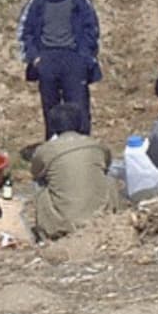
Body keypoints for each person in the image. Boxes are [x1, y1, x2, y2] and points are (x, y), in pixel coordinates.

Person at [17, 0, 102, 140]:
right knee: (51, 108)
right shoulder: (37, 2)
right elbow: (26, 32)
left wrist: (84, 58)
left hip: (73, 57)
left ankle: (82, 144)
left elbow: (92, 31)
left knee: (78, 105)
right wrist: (34, 58)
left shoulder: (80, 1)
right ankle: (54, 145)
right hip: (47, 58)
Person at [30, 103, 121, 240]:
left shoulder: (45, 150)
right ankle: (113, 215)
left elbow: (35, 172)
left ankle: (47, 229)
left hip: (65, 222)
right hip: (99, 217)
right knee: (108, 176)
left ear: (54, 127)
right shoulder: (97, 145)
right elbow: (107, 165)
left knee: (40, 184)